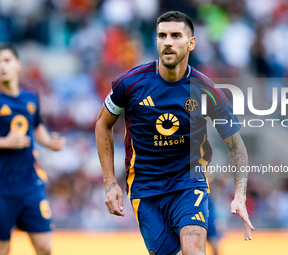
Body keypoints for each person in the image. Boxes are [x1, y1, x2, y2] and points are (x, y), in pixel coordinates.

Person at [95, 11, 254, 255]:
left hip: (188, 183)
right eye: (162, 36)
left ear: (191, 43)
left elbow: (235, 145)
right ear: (156, 41)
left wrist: (240, 194)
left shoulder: (207, 90)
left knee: (194, 252)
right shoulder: (129, 84)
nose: (168, 41)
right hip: (145, 189)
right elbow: (102, 124)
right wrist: (109, 183)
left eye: (176, 35)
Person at [0, 43, 66, 255]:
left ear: (18, 65)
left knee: (45, 247)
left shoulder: (31, 97)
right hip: (2, 189)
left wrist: (49, 142)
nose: (2, 66)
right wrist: (5, 142)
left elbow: (37, 127)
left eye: (7, 60)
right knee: (3, 248)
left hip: (30, 185)